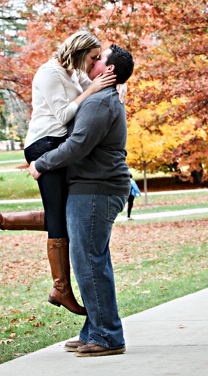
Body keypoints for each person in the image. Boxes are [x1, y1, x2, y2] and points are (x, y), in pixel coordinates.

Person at [0, 31, 119, 316]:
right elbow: (64, 114)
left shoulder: (73, 73)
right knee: (61, 218)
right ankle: (61, 287)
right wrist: (92, 89)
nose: (93, 63)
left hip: (57, 145)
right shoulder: (49, 73)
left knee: (64, 216)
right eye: (92, 58)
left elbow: (95, 89)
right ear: (78, 53)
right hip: (44, 145)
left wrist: (111, 87)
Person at [30, 44, 135, 357]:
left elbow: (77, 146)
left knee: (89, 261)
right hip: (93, 187)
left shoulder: (102, 102)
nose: (93, 61)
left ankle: (108, 336)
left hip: (96, 189)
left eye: (98, 59)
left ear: (109, 70)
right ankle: (95, 329)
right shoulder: (100, 97)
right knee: (90, 260)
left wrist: (41, 163)